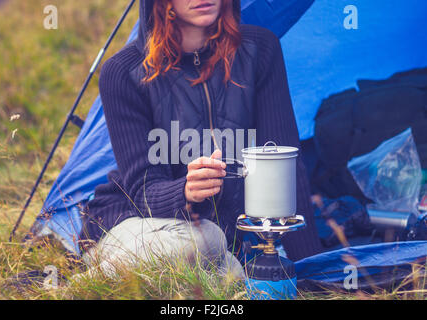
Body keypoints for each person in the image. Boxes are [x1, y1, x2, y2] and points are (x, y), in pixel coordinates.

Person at [78, 0, 322, 279]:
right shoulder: (124, 71)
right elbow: (142, 190)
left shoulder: (259, 50)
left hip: (222, 243)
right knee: (206, 240)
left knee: (235, 273)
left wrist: (311, 268)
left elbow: (285, 166)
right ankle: (79, 285)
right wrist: (185, 191)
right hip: (134, 222)